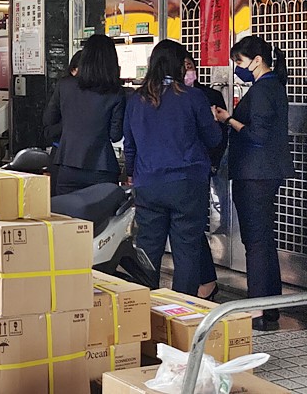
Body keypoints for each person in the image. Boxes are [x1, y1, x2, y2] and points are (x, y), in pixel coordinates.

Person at [123, 40, 222, 296]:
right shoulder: (193, 97)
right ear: (179, 65)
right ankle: (182, 314)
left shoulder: (136, 99)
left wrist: (132, 174)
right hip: (187, 184)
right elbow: (214, 138)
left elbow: (129, 145)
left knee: (147, 249)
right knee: (187, 250)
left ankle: (143, 312)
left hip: (148, 184)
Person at [212, 36, 293, 332]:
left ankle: (257, 309)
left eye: (240, 62)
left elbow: (256, 134)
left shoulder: (262, 90)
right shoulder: (274, 86)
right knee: (265, 241)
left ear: (257, 60)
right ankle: (270, 307)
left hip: (255, 175)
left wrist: (227, 118)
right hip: (267, 173)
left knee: (255, 244)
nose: (237, 68)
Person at [42, 34, 126, 195]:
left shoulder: (65, 85)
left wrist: (69, 126)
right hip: (103, 167)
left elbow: (48, 120)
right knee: (103, 219)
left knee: (67, 217)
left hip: (68, 164)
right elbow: (115, 135)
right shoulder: (115, 92)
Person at [183, 51, 229, 301]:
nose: (188, 70)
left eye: (191, 65)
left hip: (201, 169)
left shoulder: (209, 96)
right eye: (184, 66)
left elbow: (219, 135)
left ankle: (205, 282)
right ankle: (204, 281)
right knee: (191, 229)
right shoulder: (174, 96)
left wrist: (214, 163)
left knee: (195, 227)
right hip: (182, 172)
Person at [44, 51, 82, 195]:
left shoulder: (63, 86)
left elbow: (48, 122)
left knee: (60, 205)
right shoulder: (104, 91)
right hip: (85, 159)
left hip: (61, 154)